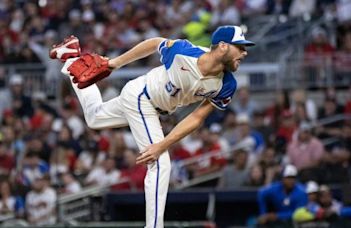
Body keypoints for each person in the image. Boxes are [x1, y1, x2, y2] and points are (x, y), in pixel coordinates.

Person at [50, 25, 254, 227]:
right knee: (160, 163)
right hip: (142, 96)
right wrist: (114, 63)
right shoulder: (184, 51)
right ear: (223, 46)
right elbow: (156, 43)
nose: (244, 53)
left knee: (94, 118)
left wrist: (163, 143)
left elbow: (196, 118)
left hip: (152, 107)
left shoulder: (227, 84)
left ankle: (71, 57)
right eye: (240, 47)